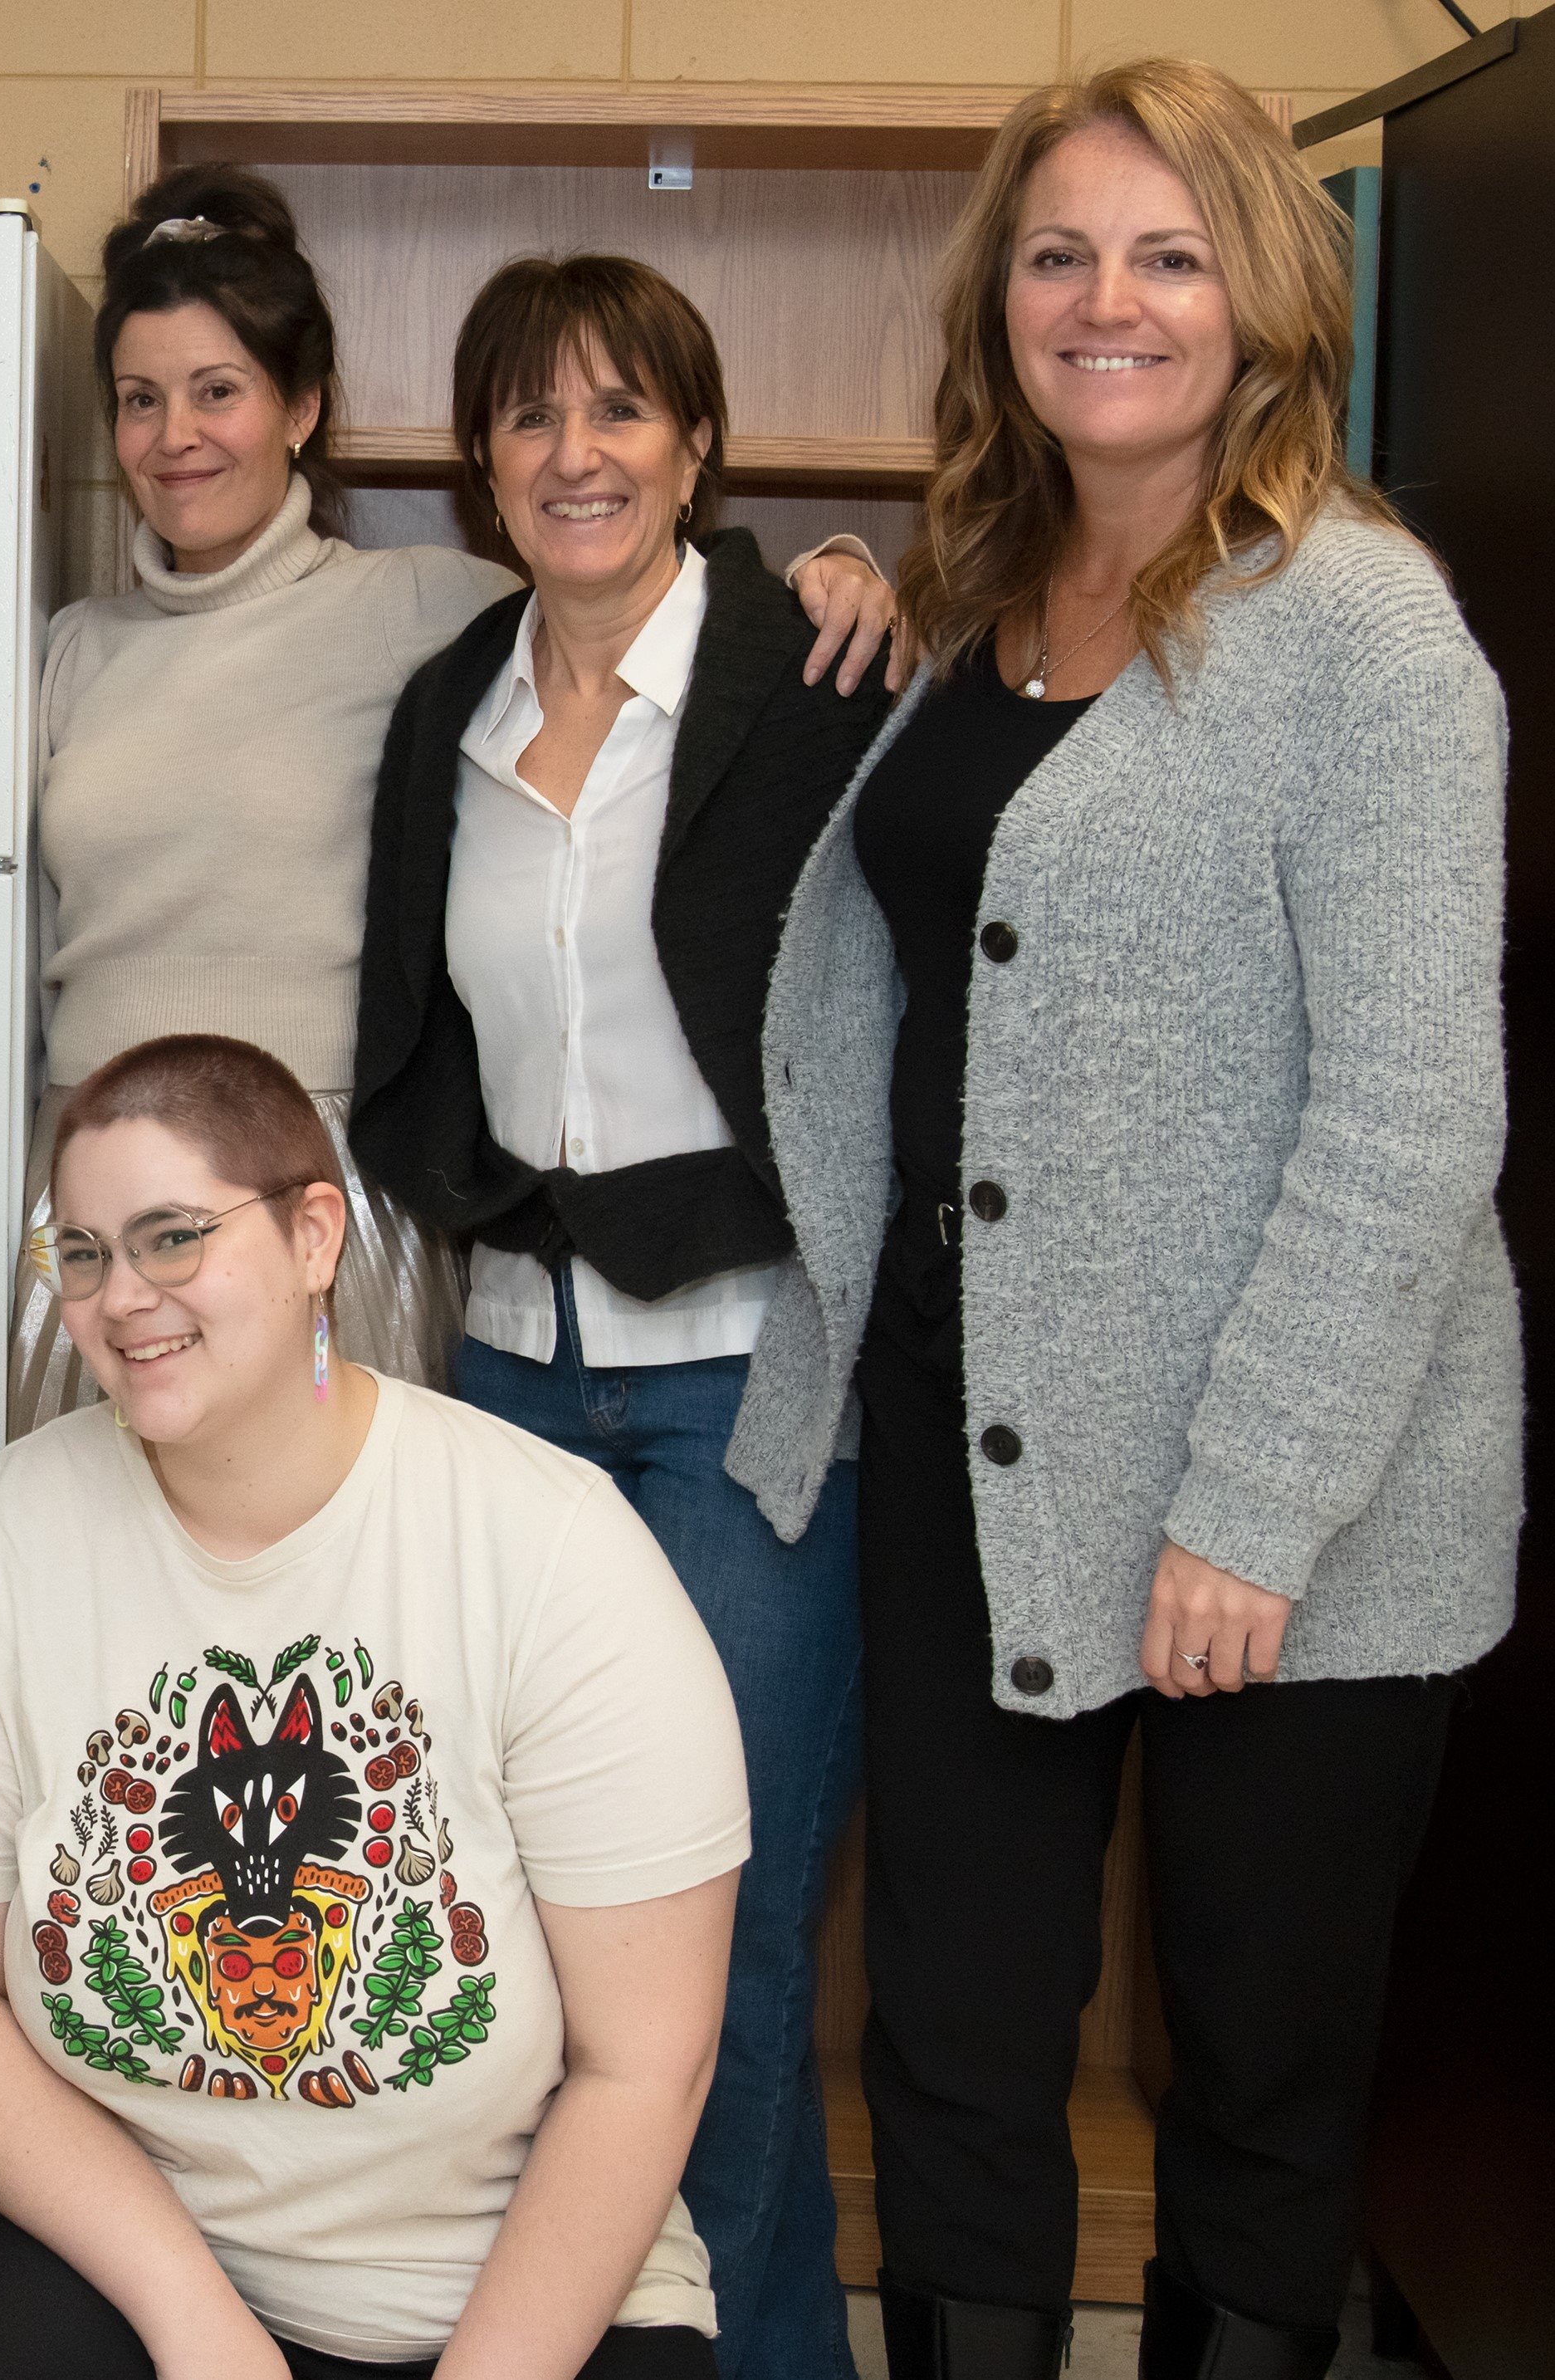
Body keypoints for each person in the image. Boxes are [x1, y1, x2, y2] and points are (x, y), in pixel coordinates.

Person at [727, 60, 1516, 2380]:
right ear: (1000, 305)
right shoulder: (980, 590)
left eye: (1168, 253)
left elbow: (1411, 1105)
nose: (1108, 301)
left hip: (1298, 1493)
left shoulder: (1360, 628)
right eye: (1060, 253)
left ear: (1266, 297)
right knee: (958, 2037)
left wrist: (1250, 1509)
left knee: (1256, 2079)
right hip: (976, 1439)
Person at [0, 1032, 750, 2380]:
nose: (118, 1296)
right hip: (115, 2247)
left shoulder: (550, 1544)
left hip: (506, 2296)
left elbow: (645, 2069)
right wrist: (196, 2324)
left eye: (170, 1237)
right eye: (81, 1252)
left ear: (314, 1233)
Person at [350, 254, 899, 2380]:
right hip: (505, 1363)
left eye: (619, 412)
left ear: (694, 444)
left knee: (724, 1945)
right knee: (510, 1925)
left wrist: (879, 576)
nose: (574, 455)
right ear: (479, 464)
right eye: (527, 418)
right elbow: (410, 1030)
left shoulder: (816, 658)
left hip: (754, 1383)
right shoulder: (453, 710)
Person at [14, 165, 894, 1431]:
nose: (176, 434)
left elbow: (647, 599)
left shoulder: (426, 611)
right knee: (98, 1588)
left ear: (303, 406)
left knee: (351, 1602)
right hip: (92, 1195)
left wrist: (841, 572)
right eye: (139, 401)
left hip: (310, 1199)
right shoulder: (65, 651)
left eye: (218, 391)